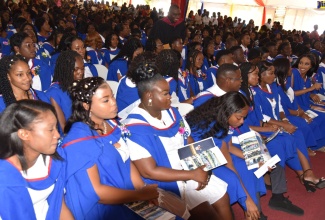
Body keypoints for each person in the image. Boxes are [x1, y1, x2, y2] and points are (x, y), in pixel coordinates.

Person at [123, 62, 233, 219]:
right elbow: (149, 171)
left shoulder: (171, 112)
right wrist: (192, 174)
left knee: (222, 198)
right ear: (149, 96)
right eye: (166, 94)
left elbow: (188, 139)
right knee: (206, 215)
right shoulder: (134, 129)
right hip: (166, 181)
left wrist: (203, 166)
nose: (171, 98)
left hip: (188, 168)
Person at [61, 77, 159, 219]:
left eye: (112, 96)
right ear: (86, 105)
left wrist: (142, 187)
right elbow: (96, 192)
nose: (114, 102)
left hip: (127, 196)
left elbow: (125, 160)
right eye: (105, 100)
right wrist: (139, 195)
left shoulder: (111, 124)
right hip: (102, 210)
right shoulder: (79, 141)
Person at [187, 92, 267, 220]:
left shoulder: (224, 119)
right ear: (228, 112)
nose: (241, 122)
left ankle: (254, 212)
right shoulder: (210, 123)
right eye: (239, 117)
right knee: (232, 177)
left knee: (248, 165)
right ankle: (250, 208)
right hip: (197, 157)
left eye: (244, 118)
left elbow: (228, 147)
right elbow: (227, 162)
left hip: (215, 152)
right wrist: (247, 200)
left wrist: (256, 160)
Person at [253, 61, 325, 192]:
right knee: (289, 138)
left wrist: (285, 120)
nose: (274, 76)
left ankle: (307, 173)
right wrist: (283, 124)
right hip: (267, 126)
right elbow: (262, 117)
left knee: (296, 133)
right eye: (271, 73)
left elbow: (280, 108)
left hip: (279, 122)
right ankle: (304, 175)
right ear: (261, 76)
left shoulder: (273, 87)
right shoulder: (255, 92)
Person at [0, 99, 72, 219]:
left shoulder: (53, 160)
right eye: (50, 130)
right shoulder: (4, 178)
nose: (58, 135)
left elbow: (59, 204)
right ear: (24, 134)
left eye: (56, 127)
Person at [46, 50, 84, 133]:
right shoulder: (54, 92)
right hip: (69, 134)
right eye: (76, 69)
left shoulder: (78, 86)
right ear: (65, 69)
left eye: (82, 69)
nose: (80, 72)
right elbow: (63, 127)